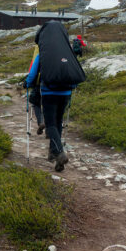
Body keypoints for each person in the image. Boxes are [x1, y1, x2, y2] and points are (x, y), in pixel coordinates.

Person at [25, 21, 84, 172]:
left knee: (50, 124)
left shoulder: (43, 51)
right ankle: (53, 153)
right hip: (66, 92)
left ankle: (59, 153)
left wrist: (27, 84)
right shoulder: (67, 49)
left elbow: (32, 74)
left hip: (49, 91)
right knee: (58, 122)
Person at [27, 44, 45, 135]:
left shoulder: (39, 47)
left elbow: (33, 68)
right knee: (50, 106)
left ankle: (40, 122)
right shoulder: (60, 46)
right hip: (58, 83)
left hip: (39, 82)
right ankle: (50, 131)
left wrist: (28, 82)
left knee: (36, 102)